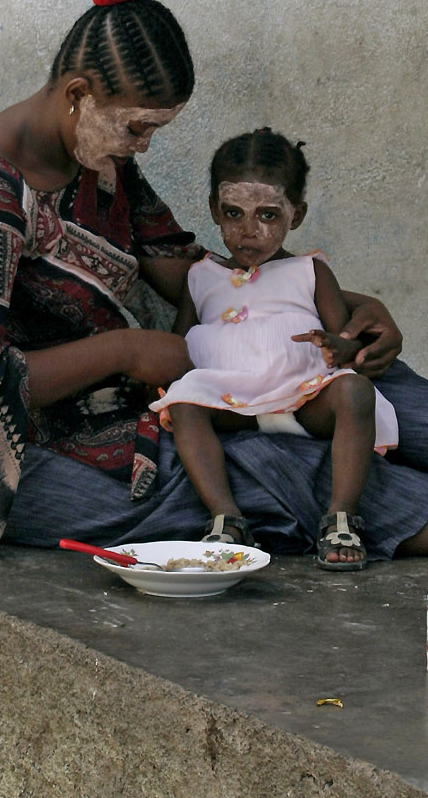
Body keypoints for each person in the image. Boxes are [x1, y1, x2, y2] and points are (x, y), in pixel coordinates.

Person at [0, 0, 428, 560]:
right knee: (269, 467)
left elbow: (197, 272)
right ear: (80, 95)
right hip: (27, 455)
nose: (143, 146)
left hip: (138, 401)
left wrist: (344, 302)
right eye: (138, 127)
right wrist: (127, 351)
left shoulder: (101, 162)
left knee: (347, 368)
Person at [149, 129, 400, 570]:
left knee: (354, 392)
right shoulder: (199, 276)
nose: (248, 232)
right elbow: (179, 347)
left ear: (296, 215)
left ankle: (340, 516)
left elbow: (344, 340)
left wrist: (338, 345)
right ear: (213, 210)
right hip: (229, 400)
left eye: (267, 215)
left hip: (304, 396)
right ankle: (226, 518)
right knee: (185, 401)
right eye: (233, 214)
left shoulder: (310, 271)